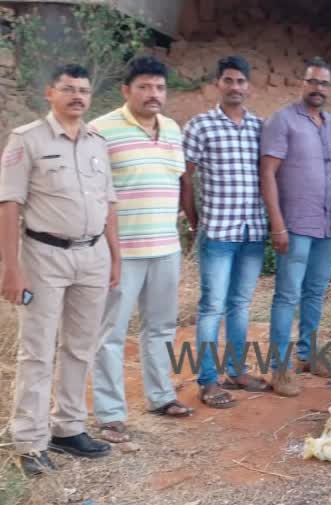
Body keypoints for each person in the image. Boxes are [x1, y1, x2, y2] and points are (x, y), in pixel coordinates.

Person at [1, 64, 119, 475]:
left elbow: (108, 203)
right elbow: (9, 205)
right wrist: (11, 269)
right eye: (68, 89)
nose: (77, 96)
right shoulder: (27, 140)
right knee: (37, 350)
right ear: (49, 93)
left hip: (93, 256)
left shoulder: (97, 142)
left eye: (84, 90)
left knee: (81, 345)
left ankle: (68, 428)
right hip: (43, 257)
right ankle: (30, 442)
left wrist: (115, 256)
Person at [90, 56, 192, 445]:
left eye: (160, 87)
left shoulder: (172, 129)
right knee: (110, 333)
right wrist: (106, 249)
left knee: (162, 327)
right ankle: (111, 415)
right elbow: (93, 191)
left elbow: (177, 182)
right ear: (126, 90)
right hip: (120, 251)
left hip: (165, 247)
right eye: (144, 87)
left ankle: (161, 396)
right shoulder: (101, 130)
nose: (154, 94)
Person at [181, 56, 270, 409]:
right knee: (212, 306)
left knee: (240, 304)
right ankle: (207, 380)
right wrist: (194, 219)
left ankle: (237, 371)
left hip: (252, 231)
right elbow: (185, 176)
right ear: (217, 84)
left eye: (240, 81)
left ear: (249, 86)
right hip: (218, 231)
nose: (235, 87)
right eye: (228, 80)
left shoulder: (260, 127)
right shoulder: (200, 126)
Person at [260, 57, 331, 396]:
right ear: (302, 84)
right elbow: (267, 172)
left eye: (324, 83)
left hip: (326, 226)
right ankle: (280, 369)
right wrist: (277, 223)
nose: (318, 88)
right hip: (294, 224)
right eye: (313, 81)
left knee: (315, 292)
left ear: (330, 89)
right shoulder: (283, 120)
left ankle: (308, 355)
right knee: (287, 295)